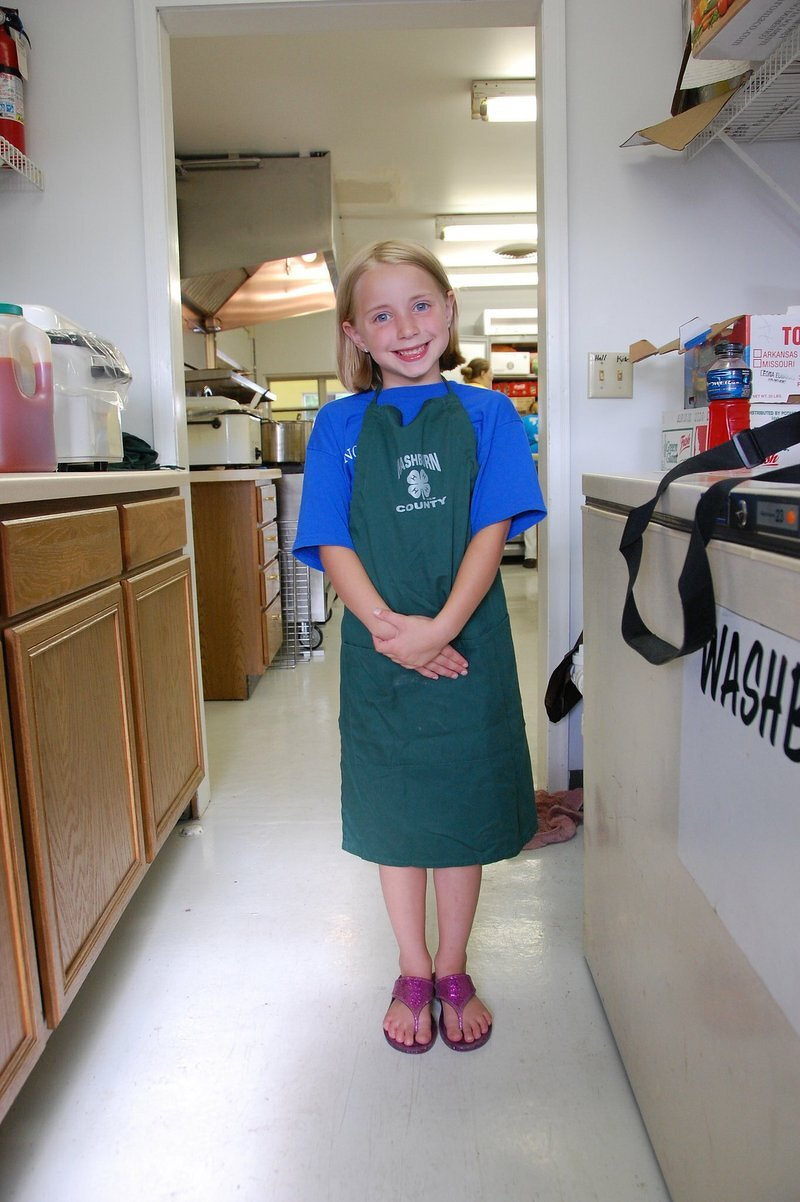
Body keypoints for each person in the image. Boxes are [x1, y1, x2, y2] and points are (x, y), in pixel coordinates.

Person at [293, 239, 546, 1054]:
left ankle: (452, 962)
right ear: (355, 335)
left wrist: (436, 630)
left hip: (467, 644)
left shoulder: (490, 415)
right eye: (381, 314)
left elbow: (492, 526)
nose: (405, 327)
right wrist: (387, 631)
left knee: (462, 806)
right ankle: (411, 969)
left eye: (420, 305)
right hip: (379, 652)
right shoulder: (336, 426)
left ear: (449, 311)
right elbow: (330, 538)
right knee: (398, 813)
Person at [521, 400, 539, 567]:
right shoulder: (549, 419)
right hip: (550, 471)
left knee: (532, 511)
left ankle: (530, 554)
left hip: (530, 468)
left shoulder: (525, 421)